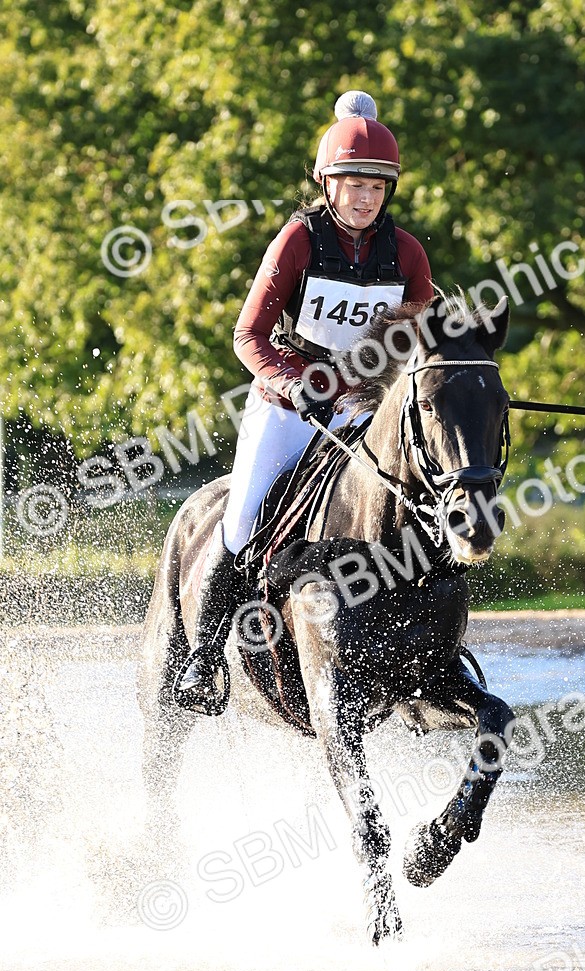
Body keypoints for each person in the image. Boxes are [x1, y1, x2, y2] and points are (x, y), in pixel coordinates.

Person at [175, 90, 434, 714]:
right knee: (242, 522)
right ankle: (203, 659)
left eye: (377, 186)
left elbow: (428, 342)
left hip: (365, 408)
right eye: (355, 184)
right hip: (290, 406)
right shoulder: (298, 239)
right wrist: (295, 385)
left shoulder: (406, 253)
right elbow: (248, 335)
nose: (366, 197)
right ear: (328, 183)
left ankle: (428, 650)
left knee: (418, 506)